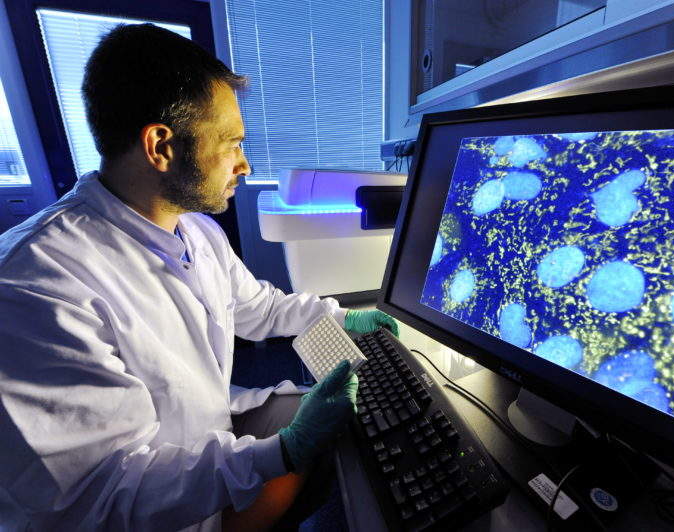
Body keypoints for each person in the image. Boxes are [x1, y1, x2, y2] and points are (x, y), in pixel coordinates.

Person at [0, 23, 397, 531]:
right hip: (149, 508)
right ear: (161, 146)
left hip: (202, 432)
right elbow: (106, 496)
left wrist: (342, 318)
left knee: (351, 415)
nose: (244, 165)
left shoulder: (194, 229)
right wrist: (285, 452)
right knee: (341, 460)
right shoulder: (36, 283)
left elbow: (258, 308)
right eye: (231, 144)